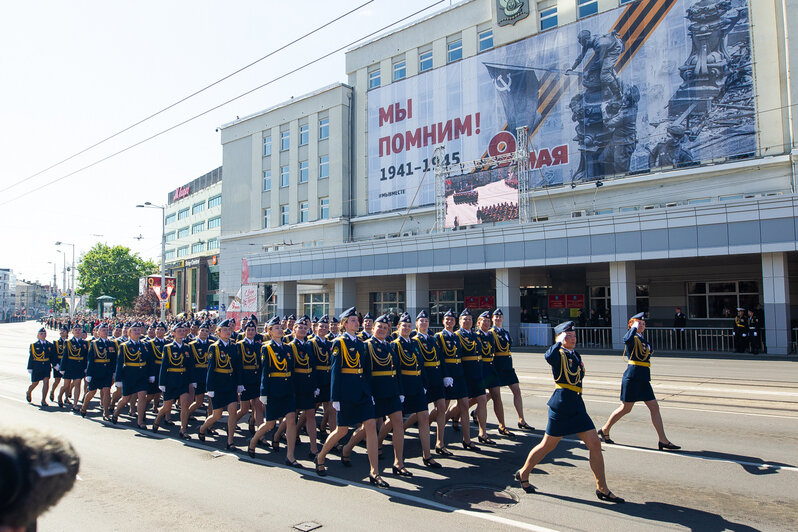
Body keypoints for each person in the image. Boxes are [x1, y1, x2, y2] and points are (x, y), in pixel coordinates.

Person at [515, 321, 624, 503]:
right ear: (561, 338)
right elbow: (548, 357)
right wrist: (558, 342)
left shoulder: (575, 354)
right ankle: (524, 473)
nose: (572, 339)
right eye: (568, 337)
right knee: (548, 446)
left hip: (577, 405)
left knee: (595, 444)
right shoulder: (558, 354)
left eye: (573, 336)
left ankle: (602, 488)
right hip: (562, 406)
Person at [315, 307, 387, 488]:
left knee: (370, 426)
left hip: (362, 392)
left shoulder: (363, 343)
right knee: (342, 431)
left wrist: (369, 393)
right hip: (346, 393)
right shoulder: (339, 343)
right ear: (344, 324)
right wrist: (335, 398)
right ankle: (321, 456)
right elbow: (335, 372)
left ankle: (374, 471)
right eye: (353, 320)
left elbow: (366, 371)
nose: (357, 322)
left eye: (357, 320)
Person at [597, 313, 680, 451]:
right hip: (633, 377)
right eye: (638, 323)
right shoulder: (632, 337)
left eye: (643, 324)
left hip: (643, 378)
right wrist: (633, 328)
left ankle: (663, 440)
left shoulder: (643, 339)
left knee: (654, 407)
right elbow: (625, 339)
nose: (642, 326)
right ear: (632, 325)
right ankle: (605, 429)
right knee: (626, 408)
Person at [342, 314, 407, 477]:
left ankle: (399, 462)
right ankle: (347, 448)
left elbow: (396, 371)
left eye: (386, 328)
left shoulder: (390, 346)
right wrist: (367, 393)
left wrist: (400, 391)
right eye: (379, 327)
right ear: (372, 328)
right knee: (366, 428)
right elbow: (362, 373)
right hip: (374, 392)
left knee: (398, 422)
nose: (383, 330)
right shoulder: (366, 346)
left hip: (391, 391)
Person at [248, 316, 302, 467]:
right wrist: (263, 393)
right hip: (274, 390)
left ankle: (290, 456)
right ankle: (254, 440)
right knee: (270, 424)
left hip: (288, 389)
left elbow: (291, 369)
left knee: (291, 420)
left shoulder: (288, 348)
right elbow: (265, 372)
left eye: (280, 327)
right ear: (270, 331)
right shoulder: (266, 348)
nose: (280, 330)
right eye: (276, 328)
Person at [392, 314, 440, 469]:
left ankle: (427, 455)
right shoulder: (394, 345)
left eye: (408, 325)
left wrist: (425, 384)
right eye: (403, 325)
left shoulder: (415, 344)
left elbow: (421, 365)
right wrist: (399, 390)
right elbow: (396, 370)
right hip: (403, 387)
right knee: (394, 422)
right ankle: (382, 447)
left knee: (424, 418)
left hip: (418, 385)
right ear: (398, 327)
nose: (406, 328)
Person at [407, 310, 450, 456]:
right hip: (424, 381)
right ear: (416, 324)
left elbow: (441, 358)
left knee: (442, 408)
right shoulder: (414, 341)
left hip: (437, 378)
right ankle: (402, 427)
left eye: (426, 321)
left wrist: (446, 375)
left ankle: (440, 442)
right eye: (421, 321)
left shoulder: (433, 339)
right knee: (421, 414)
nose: (424, 323)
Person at [199, 319, 243, 449]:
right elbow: (211, 369)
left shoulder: (234, 346)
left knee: (233, 412)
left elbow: (237, 367)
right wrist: (210, 388)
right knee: (217, 415)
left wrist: (239, 383)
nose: (228, 332)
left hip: (230, 384)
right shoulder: (214, 347)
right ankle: (202, 428)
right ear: (218, 332)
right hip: (218, 384)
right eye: (224, 330)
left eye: (229, 330)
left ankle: (230, 440)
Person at [436, 309, 476, 450]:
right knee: (442, 409)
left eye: (451, 320)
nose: (449, 321)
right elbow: (439, 358)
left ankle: (467, 440)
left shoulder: (457, 337)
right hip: (448, 376)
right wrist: (445, 375)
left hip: (459, 376)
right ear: (443, 321)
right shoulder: (439, 337)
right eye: (447, 319)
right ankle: (439, 442)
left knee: (464, 406)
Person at [490, 309, 533, 431]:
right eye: (496, 317)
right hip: (497, 367)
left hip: (508, 367)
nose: (498, 319)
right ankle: (477, 412)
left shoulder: (506, 333)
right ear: (492, 318)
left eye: (500, 317)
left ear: (503, 319)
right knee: (491, 395)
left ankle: (521, 420)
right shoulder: (490, 333)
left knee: (517, 392)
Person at [285, 317, 319, 458]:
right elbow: (289, 369)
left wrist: (315, 385)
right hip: (296, 385)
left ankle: (314, 448)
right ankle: (278, 438)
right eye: (300, 328)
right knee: (291, 418)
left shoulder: (309, 345)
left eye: (305, 328)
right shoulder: (290, 347)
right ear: (294, 330)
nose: (303, 330)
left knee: (311, 414)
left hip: (307, 384)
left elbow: (313, 366)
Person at [153, 322, 194, 440]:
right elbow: (164, 366)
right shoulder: (168, 348)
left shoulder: (187, 347)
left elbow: (190, 366)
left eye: (183, 331)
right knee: (167, 407)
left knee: (185, 406)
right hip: (171, 380)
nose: (182, 333)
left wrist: (192, 380)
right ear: (173, 333)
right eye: (179, 331)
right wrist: (162, 383)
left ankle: (183, 429)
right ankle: (158, 419)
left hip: (183, 380)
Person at [112, 322, 154, 429]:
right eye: (134, 330)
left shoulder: (145, 345)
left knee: (142, 396)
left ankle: (140, 421)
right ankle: (116, 412)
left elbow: (149, 362)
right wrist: (118, 379)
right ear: (129, 333)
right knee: (126, 398)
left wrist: (151, 375)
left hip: (142, 375)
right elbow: (119, 363)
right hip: (129, 375)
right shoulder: (124, 346)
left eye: (138, 330)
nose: (137, 332)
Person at [81, 323, 118, 420]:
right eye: (103, 330)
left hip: (107, 371)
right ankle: (84, 407)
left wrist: (114, 371)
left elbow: (114, 359)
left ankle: (106, 412)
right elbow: (90, 360)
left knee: (106, 391)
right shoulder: (94, 343)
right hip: (96, 371)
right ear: (98, 332)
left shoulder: (112, 343)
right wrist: (89, 374)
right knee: (92, 392)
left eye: (106, 330)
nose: (105, 332)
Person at [234, 319, 263, 435]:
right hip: (245, 380)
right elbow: (238, 366)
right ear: (244, 331)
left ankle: (261, 435)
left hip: (256, 380)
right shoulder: (239, 345)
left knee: (258, 407)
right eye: (248, 330)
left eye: (253, 330)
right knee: (244, 409)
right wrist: (239, 383)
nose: (250, 332)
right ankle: (231, 423)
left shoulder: (259, 346)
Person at [310, 315, 335, 440]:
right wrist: (314, 385)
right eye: (321, 326)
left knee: (330, 408)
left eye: (326, 327)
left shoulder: (329, 344)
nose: (323, 329)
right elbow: (312, 365)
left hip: (328, 378)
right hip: (318, 379)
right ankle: (297, 431)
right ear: (315, 328)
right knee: (311, 410)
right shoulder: (312, 343)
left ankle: (325, 428)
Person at [58, 324, 88, 412]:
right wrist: (62, 368)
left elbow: (86, 356)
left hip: (79, 366)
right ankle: (60, 396)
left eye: (79, 330)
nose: (78, 331)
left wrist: (86, 367)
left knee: (77, 384)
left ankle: (75, 404)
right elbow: (65, 355)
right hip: (69, 366)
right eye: (76, 330)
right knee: (66, 385)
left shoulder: (84, 343)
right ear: (72, 332)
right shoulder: (68, 342)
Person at [187, 320, 212, 420]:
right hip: (197, 375)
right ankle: (186, 414)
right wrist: (192, 379)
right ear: (198, 331)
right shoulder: (192, 345)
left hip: (208, 375)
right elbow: (190, 364)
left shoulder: (211, 344)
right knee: (199, 401)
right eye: (202, 330)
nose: (204, 333)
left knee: (211, 400)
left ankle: (210, 420)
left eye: (207, 331)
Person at [26, 327, 53, 407]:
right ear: (38, 335)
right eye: (41, 334)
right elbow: (31, 357)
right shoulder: (34, 345)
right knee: (35, 383)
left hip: (46, 367)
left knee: (46, 382)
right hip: (37, 367)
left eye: (44, 334)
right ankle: (29, 392)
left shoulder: (50, 345)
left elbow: (52, 357)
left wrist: (55, 365)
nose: (43, 335)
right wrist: (30, 367)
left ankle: (43, 400)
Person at [50, 325, 68, 404]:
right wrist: (55, 365)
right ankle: (52, 391)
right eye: (61, 331)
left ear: (67, 333)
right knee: (57, 381)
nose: (62, 332)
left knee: (67, 383)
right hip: (58, 364)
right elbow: (53, 355)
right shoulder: (56, 343)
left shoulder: (69, 342)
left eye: (64, 331)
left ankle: (66, 398)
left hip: (67, 365)